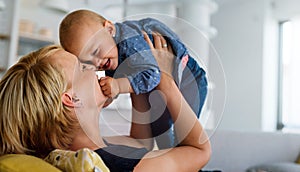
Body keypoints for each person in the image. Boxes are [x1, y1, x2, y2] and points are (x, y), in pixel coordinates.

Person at [0, 34, 211, 171]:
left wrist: (137, 79)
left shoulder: (92, 150)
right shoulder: (122, 166)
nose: (95, 67)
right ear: (72, 99)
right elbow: (199, 151)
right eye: (83, 68)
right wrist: (164, 79)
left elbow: (142, 143)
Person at [59, 9, 208, 148]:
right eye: (88, 63)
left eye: (96, 51)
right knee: (161, 132)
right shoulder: (110, 55)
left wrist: (118, 86)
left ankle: (178, 156)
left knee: (185, 136)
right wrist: (111, 94)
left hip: (190, 79)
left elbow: (153, 75)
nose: (97, 63)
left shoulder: (129, 42)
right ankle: (172, 155)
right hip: (161, 91)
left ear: (110, 30)